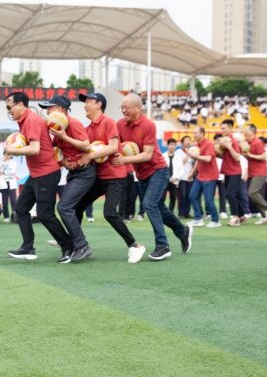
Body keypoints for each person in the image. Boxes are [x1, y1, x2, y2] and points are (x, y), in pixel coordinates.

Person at [114, 93, 191, 261]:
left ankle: (163, 246)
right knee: (159, 208)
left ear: (138, 108)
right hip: (141, 174)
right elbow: (115, 145)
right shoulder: (120, 124)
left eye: (127, 107)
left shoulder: (148, 125)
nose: (123, 110)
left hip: (158, 170)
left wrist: (124, 160)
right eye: (122, 107)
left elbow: (147, 155)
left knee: (149, 204)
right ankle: (182, 231)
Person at [76, 92, 146, 264]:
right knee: (77, 205)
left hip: (115, 177)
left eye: (88, 102)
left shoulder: (108, 122)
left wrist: (89, 156)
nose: (85, 105)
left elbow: (113, 147)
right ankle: (74, 240)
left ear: (99, 104)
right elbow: (84, 151)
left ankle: (135, 245)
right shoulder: (88, 128)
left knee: (109, 213)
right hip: (99, 177)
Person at [3, 91, 71, 261]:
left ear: (20, 104)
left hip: (46, 173)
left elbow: (34, 149)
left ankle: (69, 247)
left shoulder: (31, 120)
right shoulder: (25, 120)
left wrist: (12, 150)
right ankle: (28, 248)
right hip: (36, 174)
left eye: (10, 106)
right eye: (7, 107)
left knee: (45, 214)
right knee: (21, 209)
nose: (9, 110)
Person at [40, 94, 94, 262]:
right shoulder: (58, 126)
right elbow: (54, 148)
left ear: (61, 110)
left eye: (50, 108)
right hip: (74, 173)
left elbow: (86, 145)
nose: (47, 111)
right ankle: (70, 242)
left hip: (85, 173)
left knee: (64, 207)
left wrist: (64, 137)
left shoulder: (73, 123)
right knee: (71, 208)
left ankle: (82, 245)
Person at [187, 126, 221, 228]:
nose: (194, 135)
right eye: (193, 133)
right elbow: (198, 160)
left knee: (208, 200)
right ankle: (198, 219)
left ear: (202, 133)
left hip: (210, 176)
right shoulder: (198, 145)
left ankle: (215, 220)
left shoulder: (208, 144)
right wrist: (192, 172)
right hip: (200, 176)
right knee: (192, 196)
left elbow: (208, 159)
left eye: (196, 133)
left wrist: (194, 156)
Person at [242, 125, 267, 224]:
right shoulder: (248, 143)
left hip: (259, 172)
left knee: (252, 192)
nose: (245, 133)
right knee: (255, 195)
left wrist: (250, 155)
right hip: (252, 172)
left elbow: (264, 157)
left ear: (252, 132)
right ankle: (264, 216)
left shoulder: (257, 142)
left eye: (246, 131)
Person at [217, 119, 244, 226]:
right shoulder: (224, 140)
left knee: (230, 194)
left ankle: (235, 217)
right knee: (235, 194)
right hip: (227, 171)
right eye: (221, 128)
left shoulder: (233, 141)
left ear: (230, 128)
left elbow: (237, 158)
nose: (222, 130)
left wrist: (229, 147)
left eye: (224, 128)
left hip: (235, 172)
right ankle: (241, 215)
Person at [0, 149, 18, 222]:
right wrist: (2, 164)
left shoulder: (14, 163)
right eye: (5, 154)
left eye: (9, 154)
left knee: (13, 201)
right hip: (3, 183)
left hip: (11, 183)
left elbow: (13, 172)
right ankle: (6, 217)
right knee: (4, 201)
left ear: (11, 155)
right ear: (3, 155)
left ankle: (15, 216)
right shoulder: (1, 162)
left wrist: (4, 172)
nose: (7, 156)